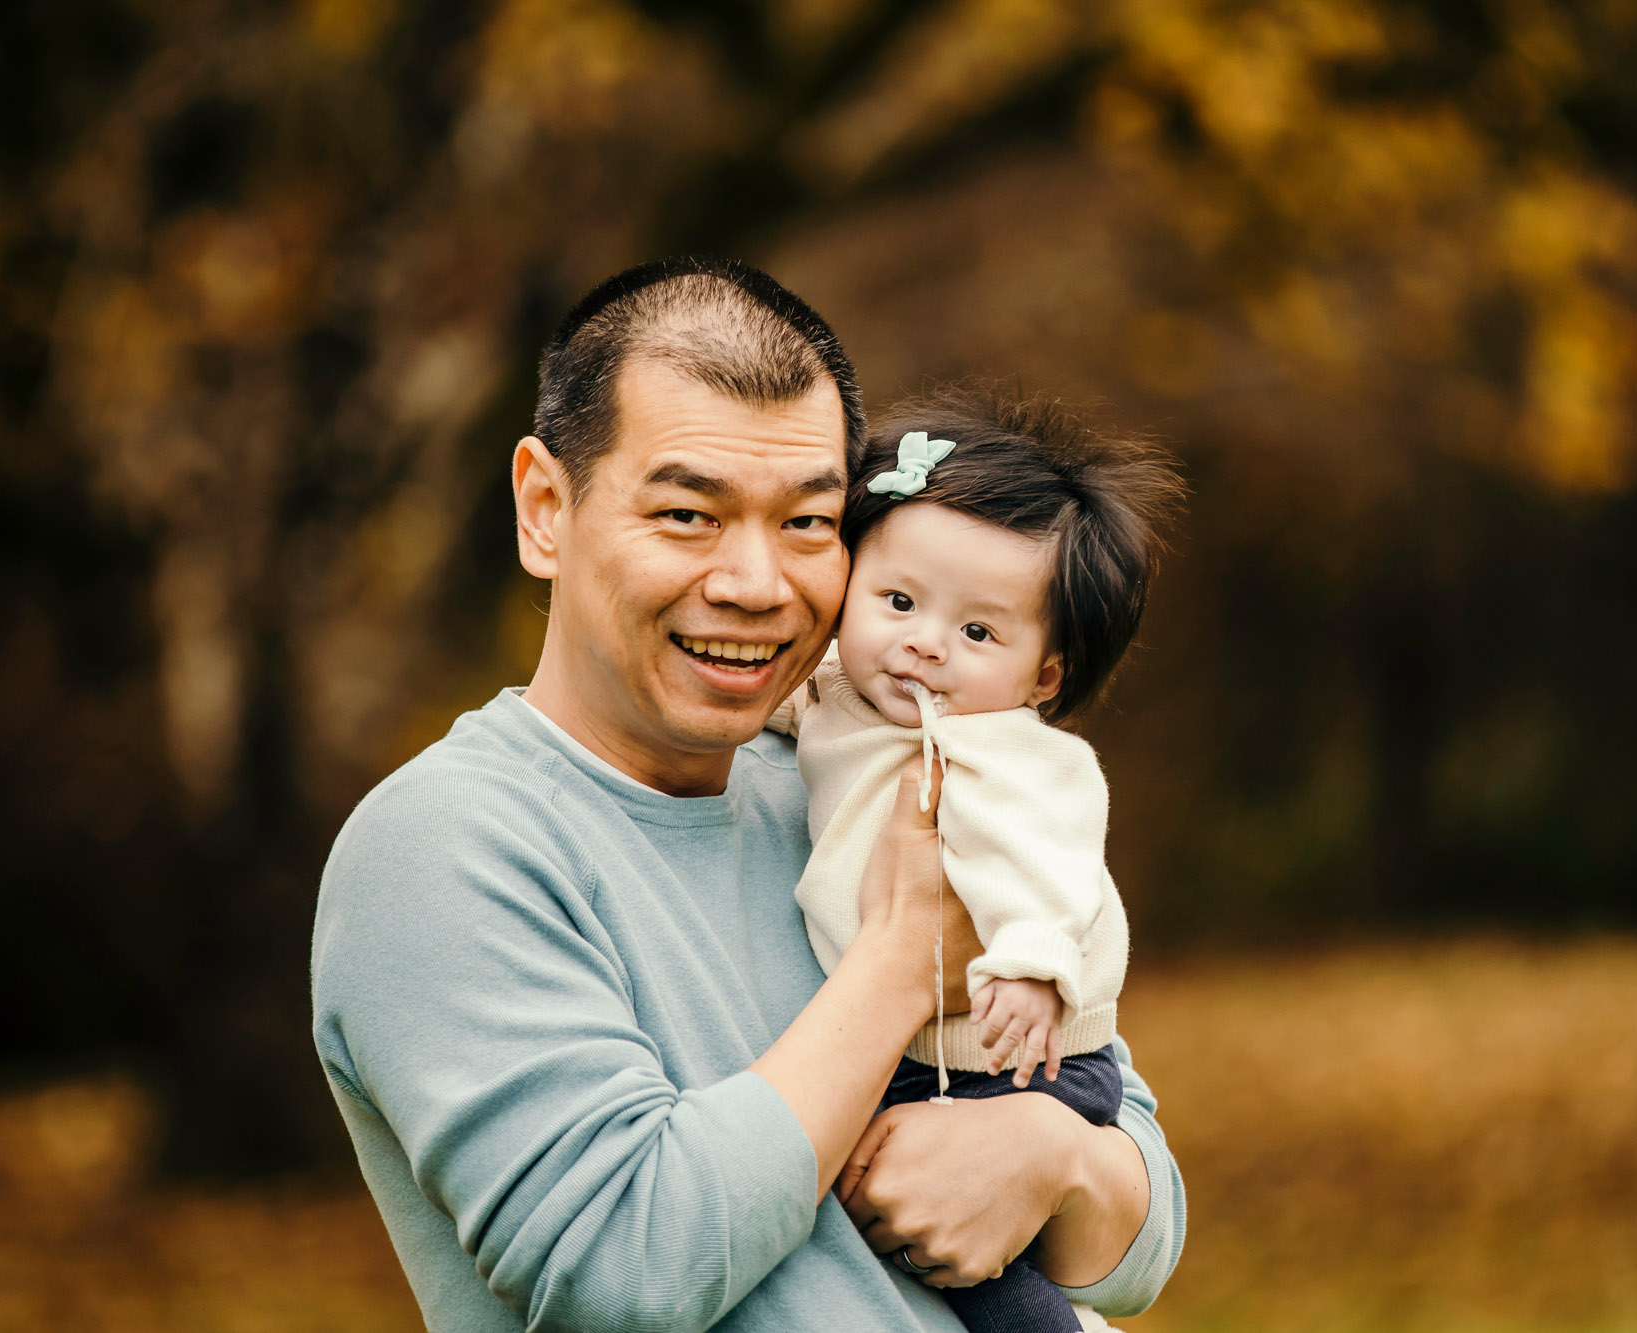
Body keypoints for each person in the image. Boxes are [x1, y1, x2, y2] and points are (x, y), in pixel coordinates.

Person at [309, 256, 1184, 1332]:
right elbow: (624, 1271)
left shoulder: (853, 769)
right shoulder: (444, 844)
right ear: (546, 508)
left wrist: (1049, 1159)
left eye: (809, 523)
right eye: (687, 514)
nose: (757, 583)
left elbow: (1142, 1224)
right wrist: (902, 959)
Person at [769, 387, 1182, 1333]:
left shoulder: (1009, 750)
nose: (924, 644)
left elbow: (1048, 852)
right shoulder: (840, 699)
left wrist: (1033, 958)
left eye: (978, 632)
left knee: (986, 1283)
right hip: (918, 1056)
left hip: (1016, 1060)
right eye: (900, 601)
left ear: (1043, 677)